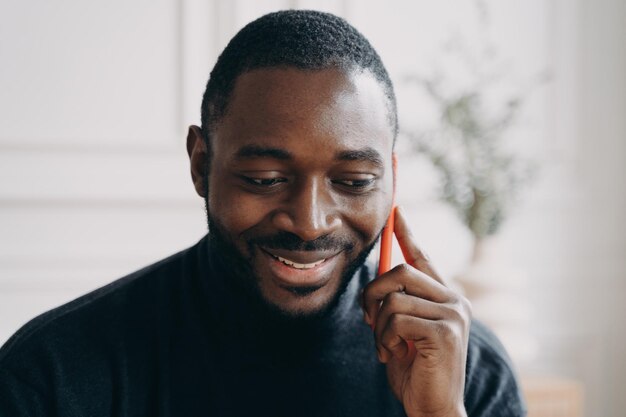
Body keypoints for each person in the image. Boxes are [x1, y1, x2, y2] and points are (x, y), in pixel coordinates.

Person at [0, 10, 526, 417]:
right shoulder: (53, 373)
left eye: (353, 183)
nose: (311, 221)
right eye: (265, 180)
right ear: (201, 163)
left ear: (390, 179)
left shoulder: (467, 373)